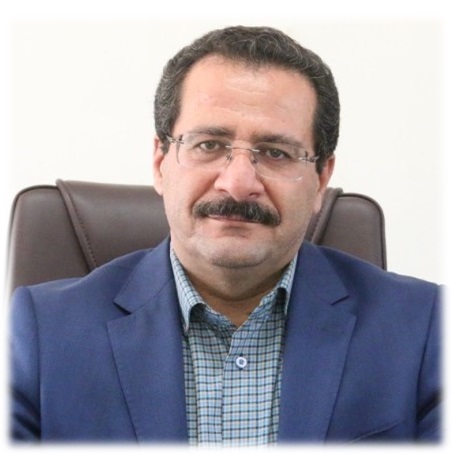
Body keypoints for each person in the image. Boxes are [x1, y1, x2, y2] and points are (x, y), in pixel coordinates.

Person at [11, 25, 441, 445]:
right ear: (161, 162)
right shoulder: (43, 335)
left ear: (320, 180)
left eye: (276, 153)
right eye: (209, 145)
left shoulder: (427, 330)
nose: (237, 184)